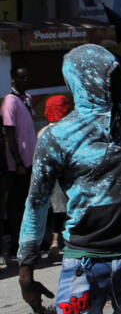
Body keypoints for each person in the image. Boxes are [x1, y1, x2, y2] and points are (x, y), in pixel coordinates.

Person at [18, 45, 121, 314]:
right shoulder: (57, 137)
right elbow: (37, 202)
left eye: (116, 75)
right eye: (107, 77)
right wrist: (25, 267)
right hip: (82, 259)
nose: (114, 83)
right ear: (81, 81)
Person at [4, 67, 36, 266]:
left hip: (32, 159)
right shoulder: (10, 101)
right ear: (13, 79)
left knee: (30, 202)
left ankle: (32, 242)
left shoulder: (27, 98)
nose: (25, 80)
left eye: (27, 77)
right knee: (18, 205)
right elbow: (9, 134)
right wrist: (17, 162)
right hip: (19, 163)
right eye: (21, 78)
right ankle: (17, 243)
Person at [39, 95, 73, 261]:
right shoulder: (69, 129)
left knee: (57, 211)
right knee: (70, 209)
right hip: (69, 175)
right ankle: (68, 240)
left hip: (50, 177)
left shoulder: (43, 132)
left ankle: (54, 242)